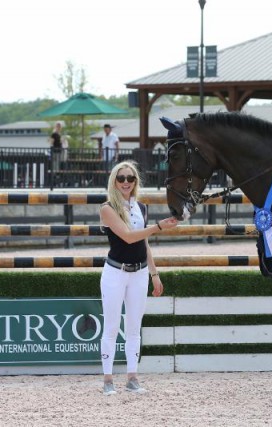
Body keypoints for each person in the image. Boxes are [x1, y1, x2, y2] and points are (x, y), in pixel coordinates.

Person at [99, 160, 178, 395]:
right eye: (121, 178)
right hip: (115, 271)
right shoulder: (107, 208)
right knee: (111, 327)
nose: (125, 182)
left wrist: (154, 273)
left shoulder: (141, 207)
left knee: (134, 327)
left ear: (135, 182)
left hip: (140, 272)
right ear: (114, 180)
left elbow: (144, 243)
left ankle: (132, 376)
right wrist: (159, 227)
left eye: (130, 178)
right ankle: (108, 379)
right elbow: (128, 237)